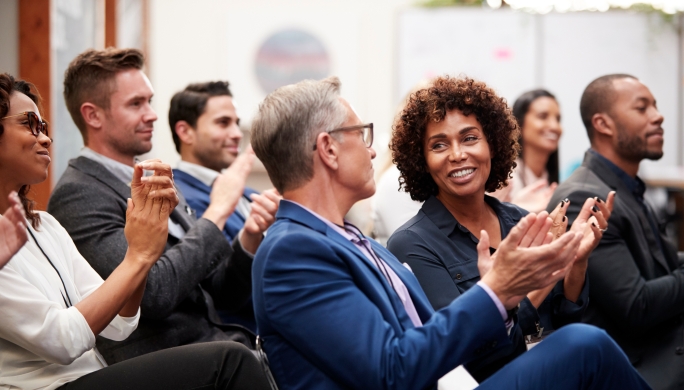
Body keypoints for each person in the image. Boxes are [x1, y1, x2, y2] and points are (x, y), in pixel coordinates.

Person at [250, 76, 650, 390]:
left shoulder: (349, 239)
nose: (372, 151)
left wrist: (565, 266)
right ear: (329, 149)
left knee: (584, 345)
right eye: (361, 134)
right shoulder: (294, 251)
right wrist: (498, 290)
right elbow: (392, 372)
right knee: (584, 347)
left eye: (471, 138)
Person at [0, 73, 272, 390]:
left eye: (44, 127)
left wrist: (144, 248)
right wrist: (139, 256)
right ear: (93, 115)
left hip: (90, 374)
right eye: (30, 124)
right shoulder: (79, 193)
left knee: (254, 352)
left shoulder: (45, 225)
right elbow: (60, 340)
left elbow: (119, 324)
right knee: (232, 360)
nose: (45, 138)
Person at [47, 48, 279, 364]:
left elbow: (218, 291)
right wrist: (218, 210)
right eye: (135, 104)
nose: (153, 114)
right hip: (170, 360)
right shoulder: (78, 194)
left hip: (218, 343)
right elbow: (154, 296)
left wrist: (250, 235)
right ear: (93, 115)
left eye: (149, 101)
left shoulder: (151, 172)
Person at [387, 76, 614, 381]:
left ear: (492, 144)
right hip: (490, 380)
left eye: (469, 138)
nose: (457, 154)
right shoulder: (411, 243)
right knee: (590, 345)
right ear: (422, 161)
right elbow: (469, 354)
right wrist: (532, 284)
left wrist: (576, 262)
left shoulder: (520, 220)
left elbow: (565, 317)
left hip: (552, 368)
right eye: (439, 145)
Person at [548, 74, 684, 390]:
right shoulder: (586, 198)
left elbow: (660, 261)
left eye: (655, 106)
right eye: (642, 108)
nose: (658, 116)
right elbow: (637, 306)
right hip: (636, 363)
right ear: (603, 124)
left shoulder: (621, 186)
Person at [168, 81, 280, 328]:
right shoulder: (176, 198)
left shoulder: (248, 193)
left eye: (237, 123)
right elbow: (219, 284)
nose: (237, 134)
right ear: (185, 132)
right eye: (223, 123)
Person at [492, 89, 560, 212]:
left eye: (558, 119)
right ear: (518, 123)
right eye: (543, 117)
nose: (555, 126)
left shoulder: (551, 180)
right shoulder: (505, 179)